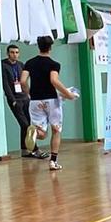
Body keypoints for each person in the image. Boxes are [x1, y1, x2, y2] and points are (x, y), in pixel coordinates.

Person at [22, 36, 78, 171]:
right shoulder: (54, 64)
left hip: (35, 101)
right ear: (50, 47)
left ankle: (34, 131)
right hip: (52, 100)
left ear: (38, 46)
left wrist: (30, 93)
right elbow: (54, 81)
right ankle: (53, 162)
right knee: (56, 130)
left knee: (42, 133)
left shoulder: (29, 63)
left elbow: (23, 81)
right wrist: (68, 94)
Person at [1, 44, 43, 159]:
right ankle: (35, 149)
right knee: (25, 125)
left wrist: (29, 95)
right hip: (15, 100)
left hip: (25, 98)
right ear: (8, 53)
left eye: (16, 52)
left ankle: (25, 150)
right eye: (12, 52)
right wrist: (12, 100)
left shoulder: (21, 65)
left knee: (26, 125)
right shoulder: (3, 65)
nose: (14, 54)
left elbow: (24, 81)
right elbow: (5, 84)